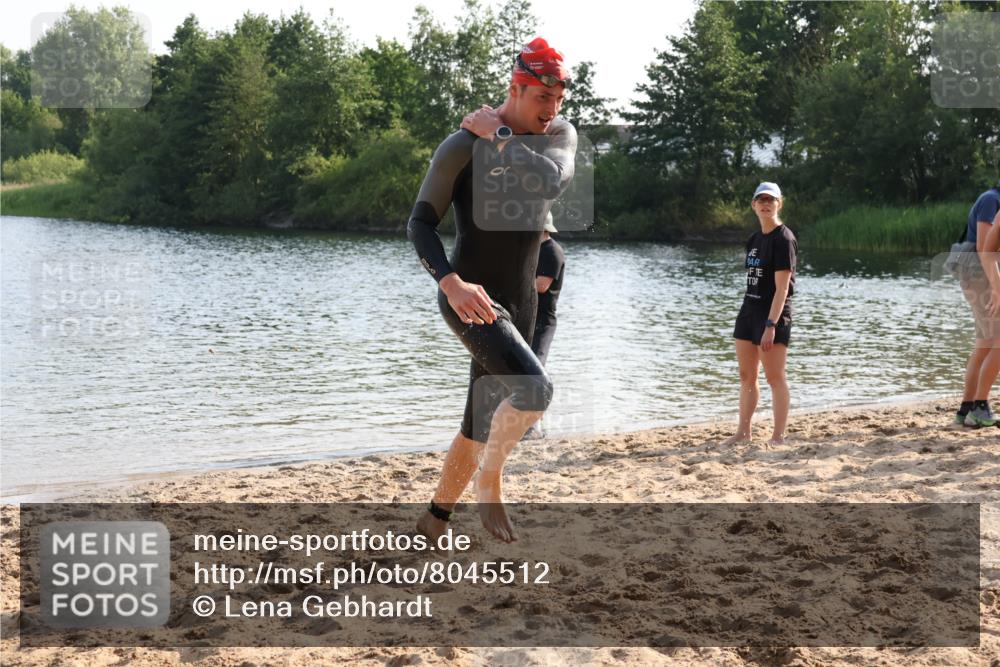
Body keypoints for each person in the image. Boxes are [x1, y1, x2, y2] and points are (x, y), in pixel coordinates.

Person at [407, 37, 576, 542]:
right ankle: (491, 477)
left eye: (557, 100)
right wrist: (449, 281)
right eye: (541, 98)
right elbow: (419, 224)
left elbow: (553, 182)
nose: (551, 111)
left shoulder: (558, 135)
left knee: (477, 421)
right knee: (536, 389)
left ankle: (434, 519)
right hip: (470, 297)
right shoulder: (461, 147)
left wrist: (501, 135)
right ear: (516, 88)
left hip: (521, 303)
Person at [723, 182, 797, 446]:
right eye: (761, 199)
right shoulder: (754, 239)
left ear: (779, 204)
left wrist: (770, 324)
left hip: (772, 316)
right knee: (746, 376)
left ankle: (778, 436)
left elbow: (782, 288)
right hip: (748, 312)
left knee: (774, 378)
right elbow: (754, 281)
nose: (766, 203)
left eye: (771, 200)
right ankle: (743, 432)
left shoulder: (783, 238)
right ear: (753, 204)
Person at [954, 180, 1000, 428]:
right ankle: (979, 407)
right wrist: (996, 287)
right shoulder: (992, 200)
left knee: (985, 343)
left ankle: (967, 408)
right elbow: (984, 247)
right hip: (980, 275)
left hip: (983, 274)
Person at [523, 214, 566, 440]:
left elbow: (541, 286)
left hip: (544, 321)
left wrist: (515, 279)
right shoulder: (533, 250)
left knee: (535, 369)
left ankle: (534, 425)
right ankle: (528, 422)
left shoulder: (552, 251)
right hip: (528, 318)